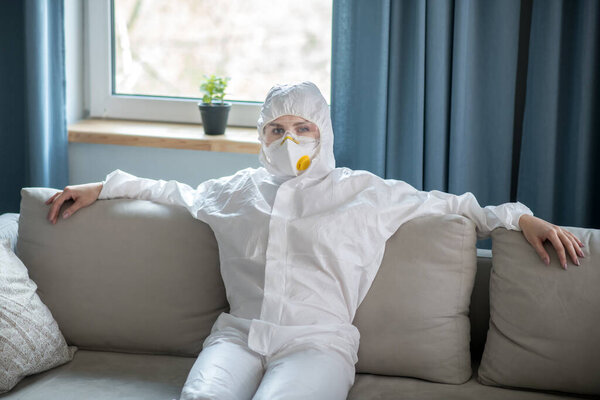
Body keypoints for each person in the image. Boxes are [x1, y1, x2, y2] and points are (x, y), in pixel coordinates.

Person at [45, 81, 584, 400]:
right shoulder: (236, 190)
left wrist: (520, 219)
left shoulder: (367, 193)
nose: (288, 140)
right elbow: (173, 191)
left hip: (317, 342)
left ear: (323, 131)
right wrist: (104, 186)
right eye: (275, 129)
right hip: (236, 335)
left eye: (301, 127)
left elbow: (459, 207)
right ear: (261, 136)